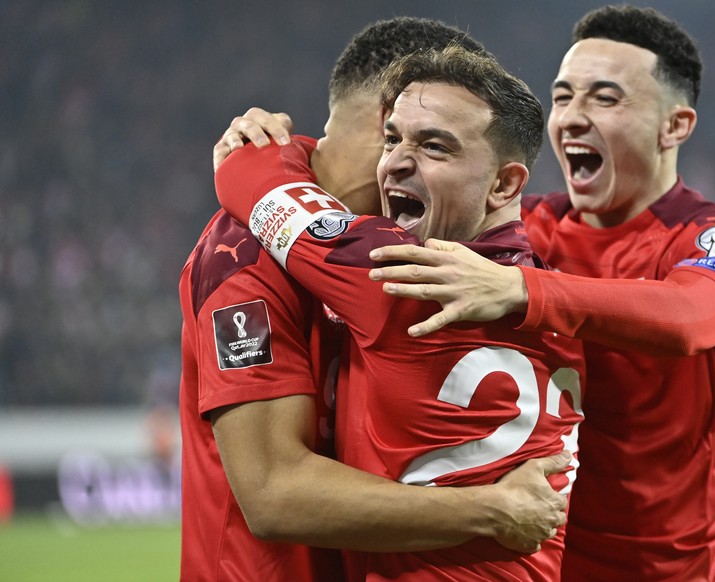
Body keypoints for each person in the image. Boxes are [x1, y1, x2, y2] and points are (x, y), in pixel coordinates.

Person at [180, 17, 569, 582]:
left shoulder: (399, 247)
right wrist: (488, 511)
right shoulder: (242, 255)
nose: (405, 164)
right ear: (386, 118)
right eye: (401, 136)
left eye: (436, 144)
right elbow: (272, 492)